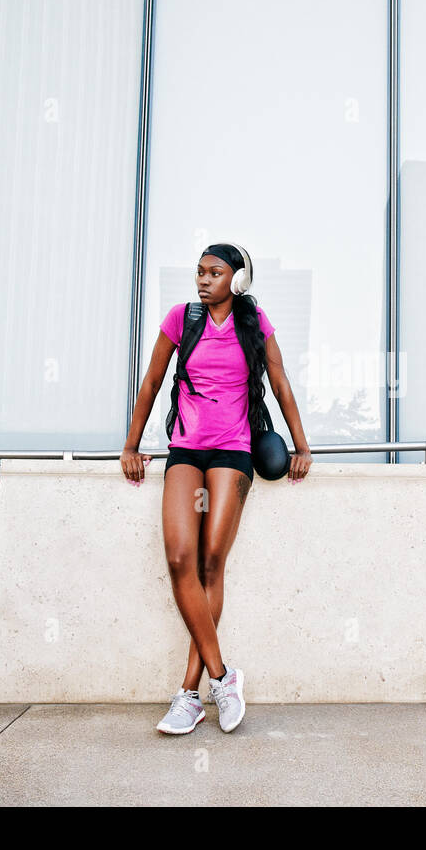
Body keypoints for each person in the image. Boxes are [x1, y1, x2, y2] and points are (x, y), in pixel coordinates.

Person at [120, 243, 313, 735]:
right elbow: (152, 382)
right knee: (180, 558)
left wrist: (302, 446)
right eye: (199, 272)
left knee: (210, 561)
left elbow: (281, 380)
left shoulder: (255, 323)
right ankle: (223, 678)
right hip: (186, 451)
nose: (203, 280)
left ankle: (189, 695)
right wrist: (131, 444)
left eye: (215, 272)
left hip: (232, 453)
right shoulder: (180, 319)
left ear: (239, 279)